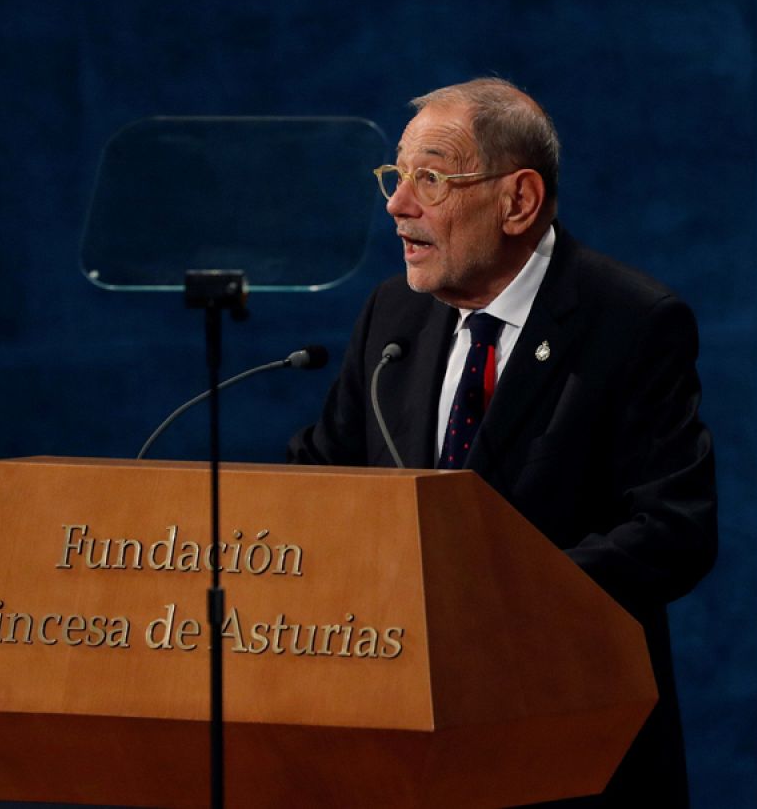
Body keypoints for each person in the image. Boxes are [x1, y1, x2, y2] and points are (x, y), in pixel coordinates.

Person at [289, 77, 717, 807]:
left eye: (431, 178)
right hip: (401, 746)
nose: (397, 204)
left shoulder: (631, 323)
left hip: (566, 748)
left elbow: (674, 529)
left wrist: (491, 601)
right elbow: (321, 481)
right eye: (396, 175)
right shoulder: (393, 316)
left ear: (518, 201)